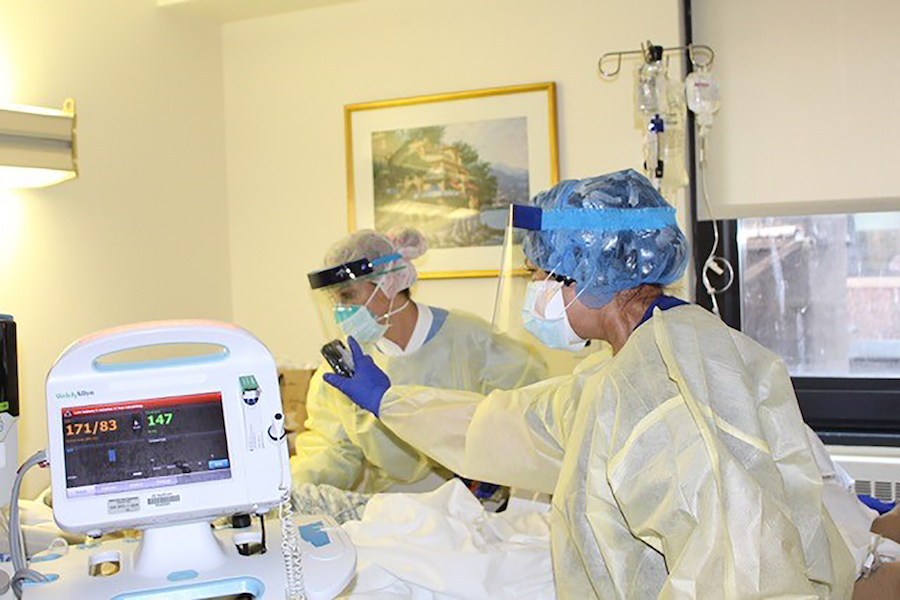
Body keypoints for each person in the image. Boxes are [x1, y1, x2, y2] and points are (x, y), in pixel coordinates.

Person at [324, 170, 874, 598]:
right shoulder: (631, 360)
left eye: (542, 275)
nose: (535, 291)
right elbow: (518, 425)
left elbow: (742, 567)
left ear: (591, 275)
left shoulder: (669, 388)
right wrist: (391, 401)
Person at [293, 227, 547, 495]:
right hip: (395, 510)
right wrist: (290, 489)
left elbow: (527, 415)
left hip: (475, 506)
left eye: (347, 296)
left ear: (388, 283)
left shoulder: (473, 342)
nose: (339, 311)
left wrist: (496, 473)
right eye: (333, 300)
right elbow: (331, 448)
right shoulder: (347, 368)